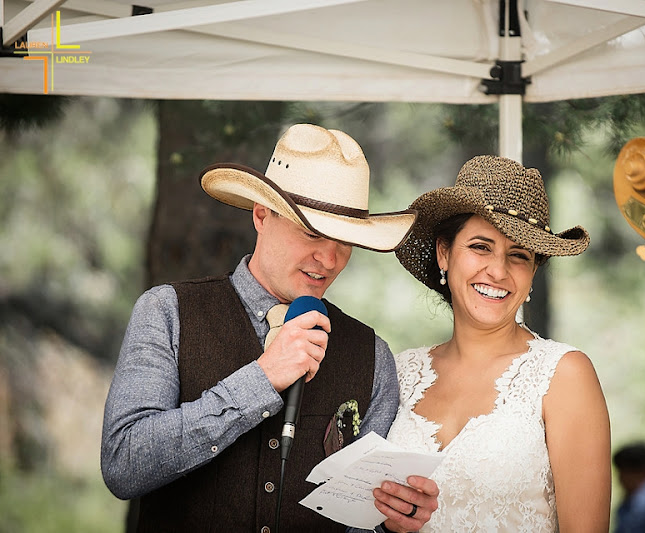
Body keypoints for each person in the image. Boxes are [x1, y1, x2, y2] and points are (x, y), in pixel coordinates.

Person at [101, 123, 439, 532]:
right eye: (313, 233)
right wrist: (261, 380)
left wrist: (390, 524)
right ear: (262, 215)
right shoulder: (166, 312)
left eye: (345, 241)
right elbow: (123, 464)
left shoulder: (371, 355)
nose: (329, 259)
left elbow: (358, 523)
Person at [381, 155, 611, 531]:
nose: (498, 271)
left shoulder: (563, 374)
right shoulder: (399, 371)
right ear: (444, 253)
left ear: (534, 271)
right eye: (480, 247)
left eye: (518, 255)